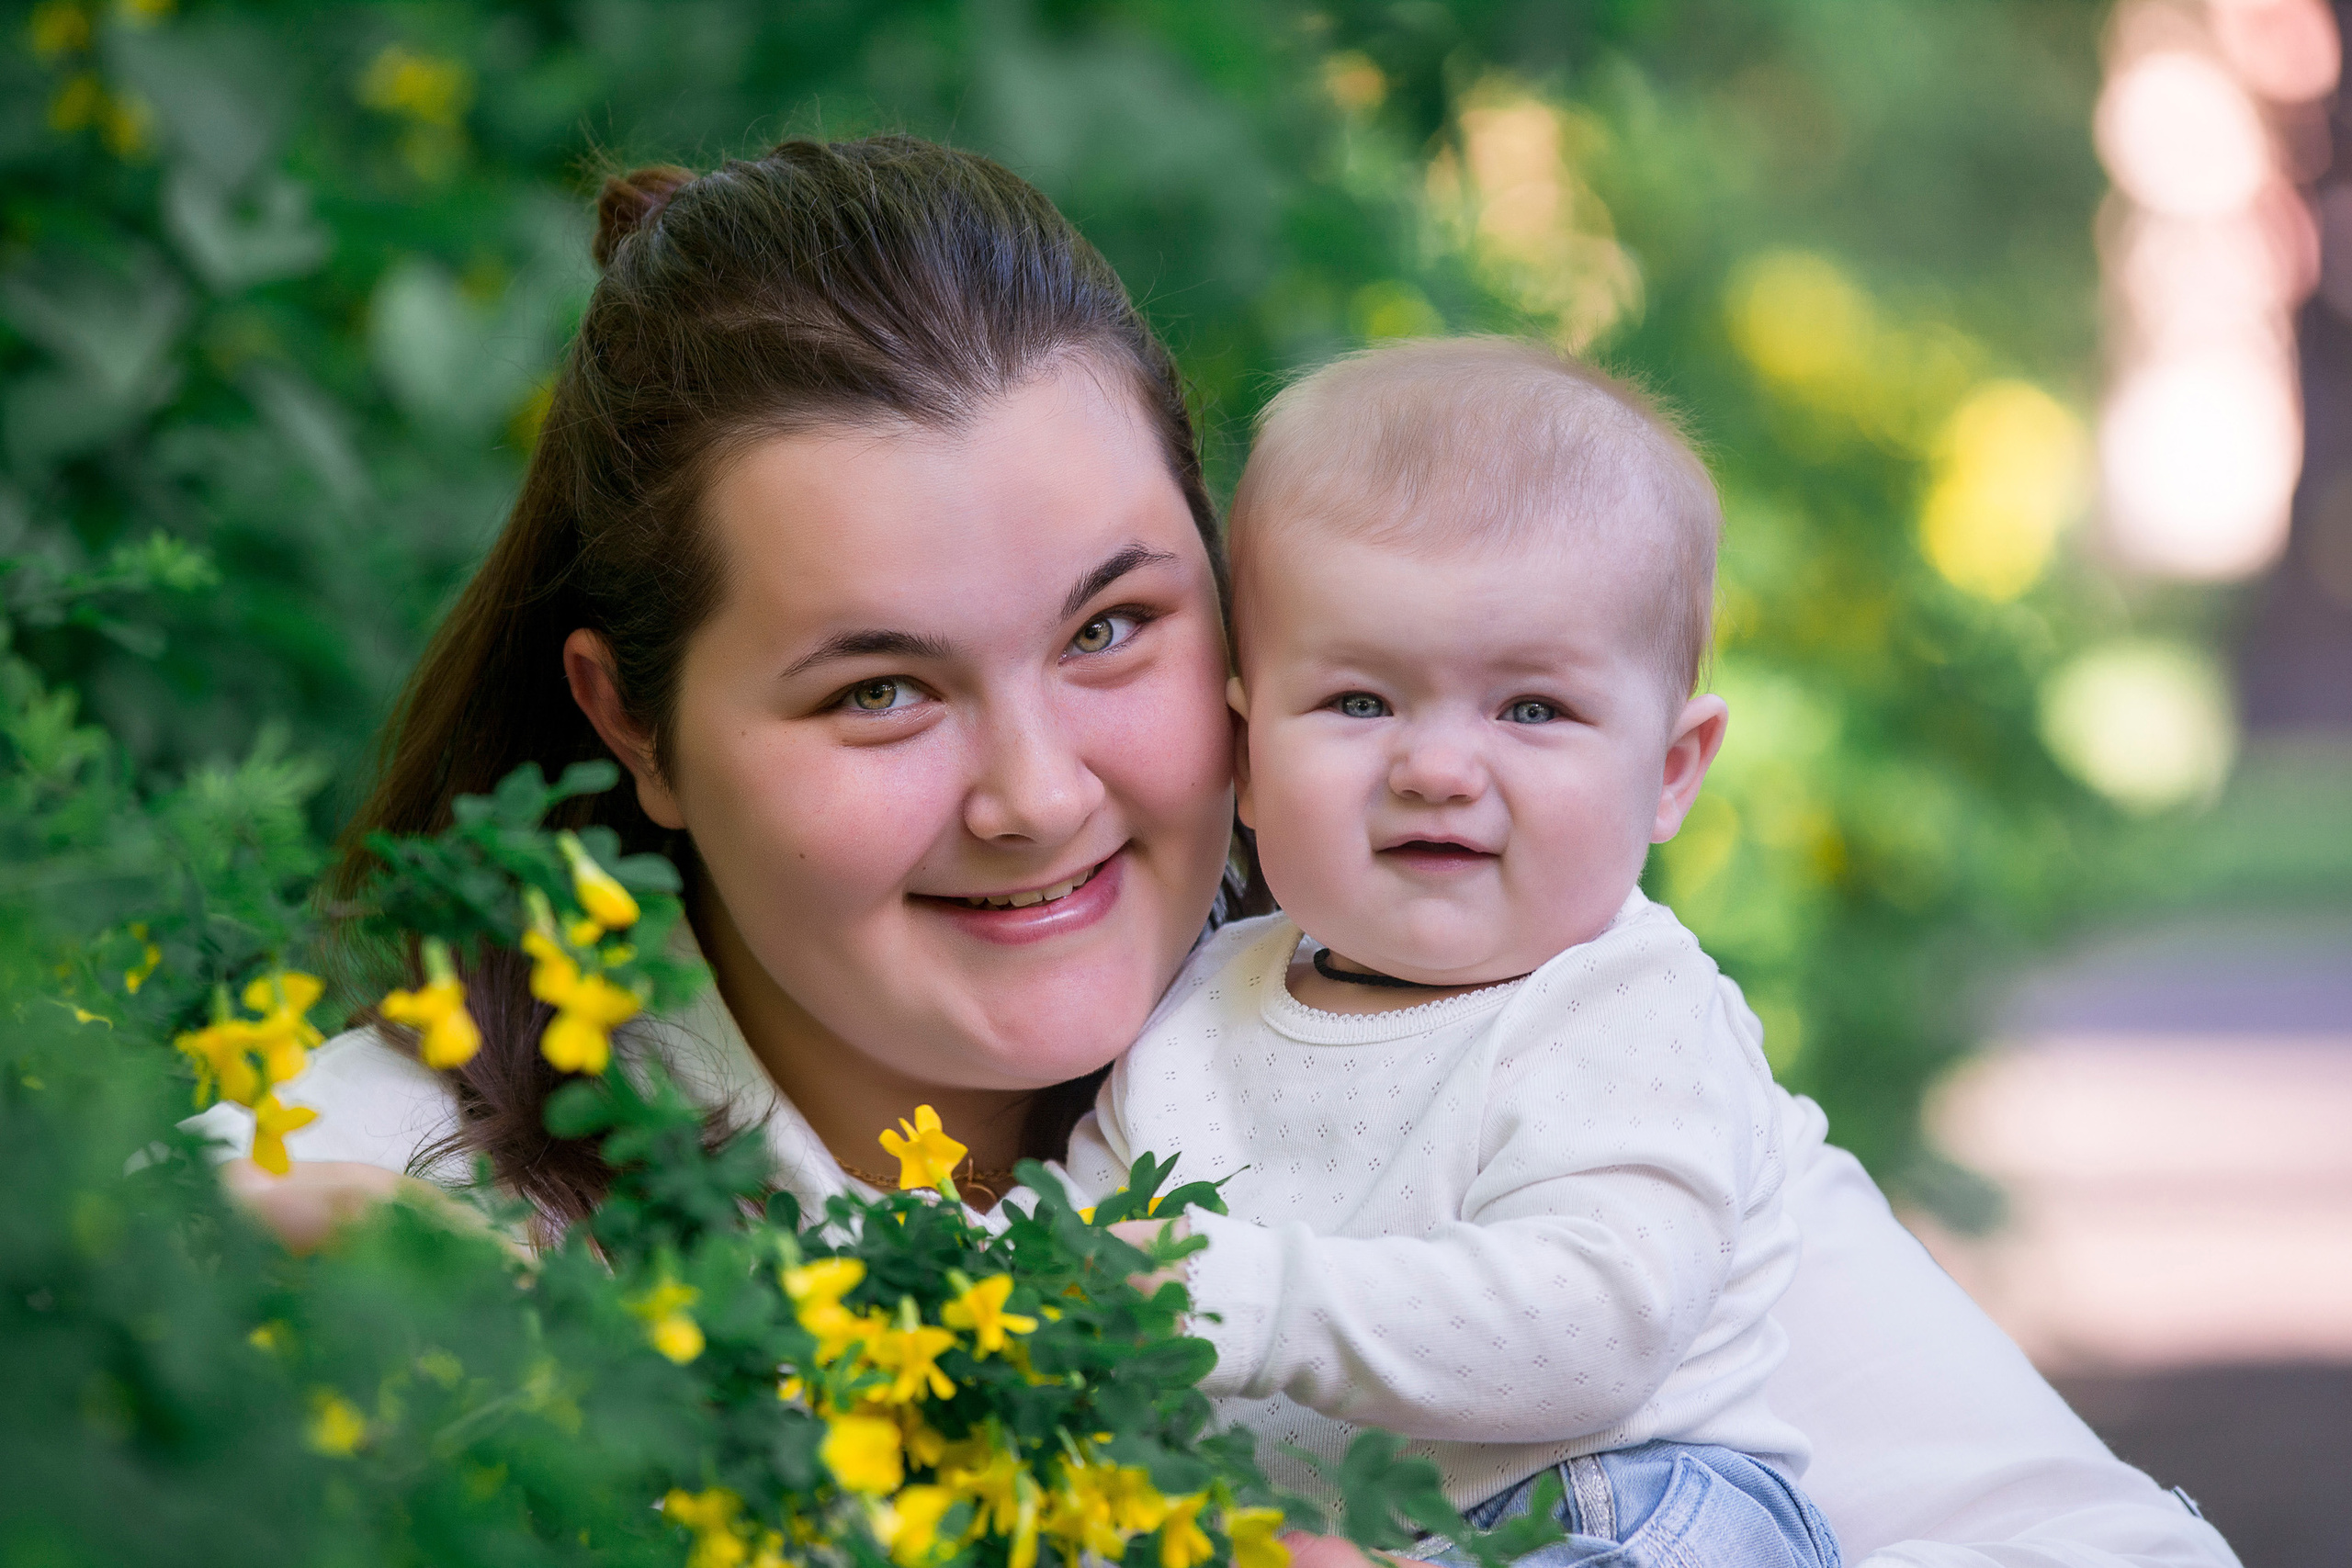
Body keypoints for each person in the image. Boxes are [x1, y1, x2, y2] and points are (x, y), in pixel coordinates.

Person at [196, 134, 2239, 1568]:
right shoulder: (380, 1195)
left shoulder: (1498, 1048)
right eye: (877, 690)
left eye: (1111, 631)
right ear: (632, 719)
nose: (1038, 792)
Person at [1067, 338, 1835, 1565]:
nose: (1435, 768)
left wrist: (1250, 1304)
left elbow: (1595, 1322)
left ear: (1670, 772)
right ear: (1246, 752)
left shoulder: (1628, 1005)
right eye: (1361, 703)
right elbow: (1095, 1272)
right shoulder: (1193, 1017)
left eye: (1532, 709)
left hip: (1619, 1507)